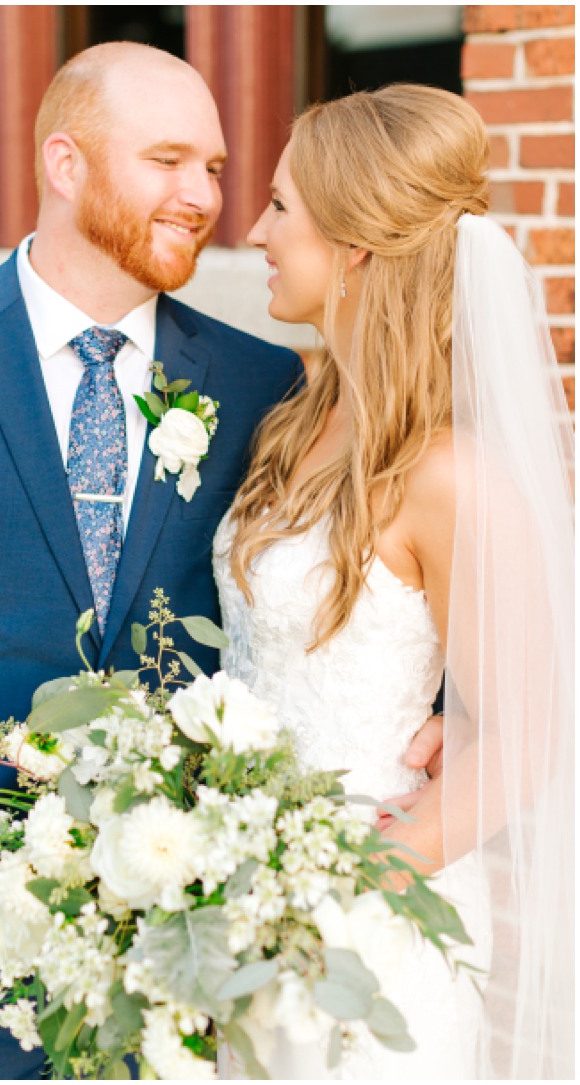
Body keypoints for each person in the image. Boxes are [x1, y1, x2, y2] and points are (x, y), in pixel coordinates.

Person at [0, 43, 305, 1078]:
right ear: (65, 163)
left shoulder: (261, 381)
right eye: (168, 160)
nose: (201, 196)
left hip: (164, 964)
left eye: (213, 168)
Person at [219, 83, 573, 1077]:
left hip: (363, 941)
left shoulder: (451, 473)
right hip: (238, 910)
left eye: (281, 205)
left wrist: (339, 897)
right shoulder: (293, 421)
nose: (252, 228)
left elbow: (528, 733)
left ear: (357, 242)